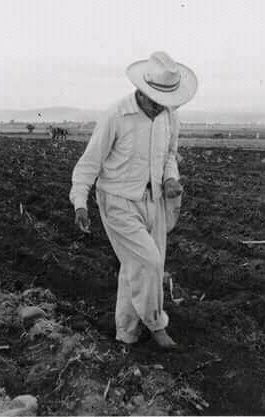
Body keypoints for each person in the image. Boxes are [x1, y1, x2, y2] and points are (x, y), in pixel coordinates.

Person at [69, 51, 198, 350]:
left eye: (164, 103)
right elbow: (89, 163)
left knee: (135, 267)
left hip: (154, 201)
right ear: (141, 90)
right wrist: (80, 203)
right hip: (118, 201)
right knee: (149, 263)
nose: (159, 108)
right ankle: (156, 325)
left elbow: (170, 155)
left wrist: (170, 179)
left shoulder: (169, 117)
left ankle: (126, 334)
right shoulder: (116, 116)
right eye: (155, 102)